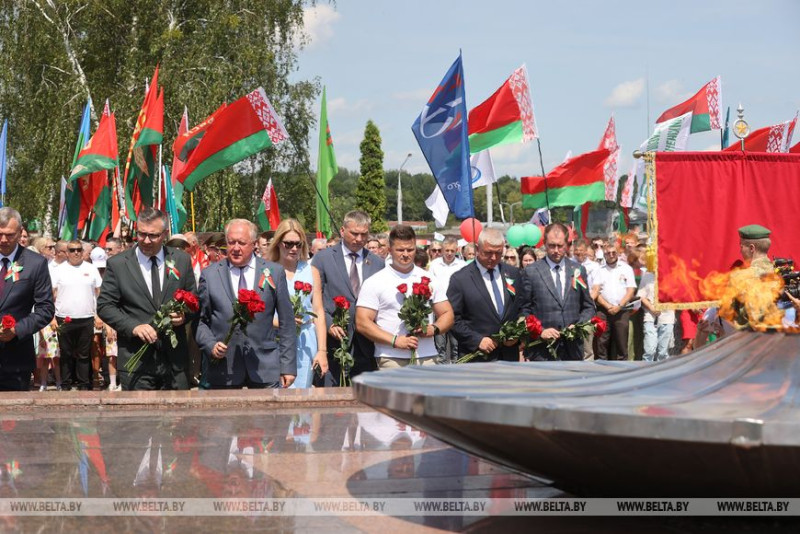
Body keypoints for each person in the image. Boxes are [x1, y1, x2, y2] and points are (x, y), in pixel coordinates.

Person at [97, 208, 196, 390]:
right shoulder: (118, 264)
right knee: (140, 419)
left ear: (165, 234)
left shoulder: (181, 260)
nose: (146, 241)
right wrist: (133, 327)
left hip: (175, 363)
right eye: (142, 234)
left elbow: (194, 301)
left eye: (153, 235)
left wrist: (184, 315)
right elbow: (105, 306)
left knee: (178, 418)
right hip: (136, 362)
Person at [196, 219, 296, 389]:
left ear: (254, 244)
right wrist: (211, 345)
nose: (235, 248)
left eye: (241, 243)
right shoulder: (210, 275)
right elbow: (200, 322)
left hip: (264, 367)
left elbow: (287, 322)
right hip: (224, 369)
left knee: (268, 416)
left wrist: (288, 366)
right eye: (231, 242)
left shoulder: (274, 272)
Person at [356, 224, 453, 368]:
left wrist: (434, 328)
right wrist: (394, 340)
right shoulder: (374, 282)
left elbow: (447, 313)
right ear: (389, 250)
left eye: (410, 249)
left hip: (426, 356)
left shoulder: (428, 278)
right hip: (391, 357)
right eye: (400, 250)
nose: (406, 254)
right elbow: (362, 322)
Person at [313, 210, 384, 385]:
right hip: (333, 343)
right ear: (343, 231)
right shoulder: (323, 259)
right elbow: (316, 299)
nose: (359, 239)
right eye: (354, 233)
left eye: (364, 234)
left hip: (366, 345)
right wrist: (328, 324)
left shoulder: (377, 263)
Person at [266, 219, 328, 388]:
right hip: (274, 340)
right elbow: (259, 313)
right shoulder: (267, 271)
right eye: (288, 244)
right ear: (278, 243)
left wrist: (322, 351)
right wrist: (282, 322)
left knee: (301, 398)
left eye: (298, 244)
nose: (294, 249)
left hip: (305, 340)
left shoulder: (311, 271)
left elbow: (318, 312)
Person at [520, 223, 595, 361]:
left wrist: (578, 326)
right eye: (551, 245)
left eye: (560, 246)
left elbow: (588, 307)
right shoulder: (531, 272)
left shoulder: (577, 270)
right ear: (544, 244)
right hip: (542, 350)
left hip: (572, 349)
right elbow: (524, 310)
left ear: (567, 244)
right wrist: (540, 331)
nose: (556, 250)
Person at [448, 228, 524, 362]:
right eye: (488, 253)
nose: (493, 258)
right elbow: (452, 319)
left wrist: (517, 334)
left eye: (498, 253)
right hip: (476, 357)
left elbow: (523, 308)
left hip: (508, 356)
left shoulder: (513, 274)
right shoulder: (460, 279)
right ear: (477, 249)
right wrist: (477, 340)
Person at [0, 207, 55, 391]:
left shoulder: (35, 263)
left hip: (15, 360)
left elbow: (45, 309)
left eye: (9, 235)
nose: (3, 240)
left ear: (20, 231)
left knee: (12, 419)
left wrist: (17, 329)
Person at [51, 239, 103, 390]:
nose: (76, 253)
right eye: (72, 250)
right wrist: (52, 317)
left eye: (79, 250)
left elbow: (99, 293)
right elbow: (51, 294)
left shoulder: (91, 268)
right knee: (66, 354)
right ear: (66, 253)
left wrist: (98, 315)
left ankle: (84, 385)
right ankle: (66, 385)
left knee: (84, 354)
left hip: (86, 317)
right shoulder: (59, 270)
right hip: (64, 317)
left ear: (83, 251)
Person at [592, 239, 637, 360]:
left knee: (622, 344)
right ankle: (602, 370)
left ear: (617, 253)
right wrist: (607, 306)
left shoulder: (626, 268)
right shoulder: (599, 270)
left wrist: (619, 306)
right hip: (603, 311)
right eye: (608, 253)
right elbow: (596, 291)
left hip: (621, 310)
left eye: (613, 252)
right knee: (601, 343)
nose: (611, 255)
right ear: (604, 254)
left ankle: (621, 372)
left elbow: (631, 290)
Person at [638, 270, 675, 362]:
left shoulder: (673, 275)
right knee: (649, 350)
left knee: (663, 353)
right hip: (650, 317)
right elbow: (641, 296)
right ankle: (646, 373)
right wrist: (651, 308)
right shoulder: (647, 275)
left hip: (667, 317)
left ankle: (662, 374)